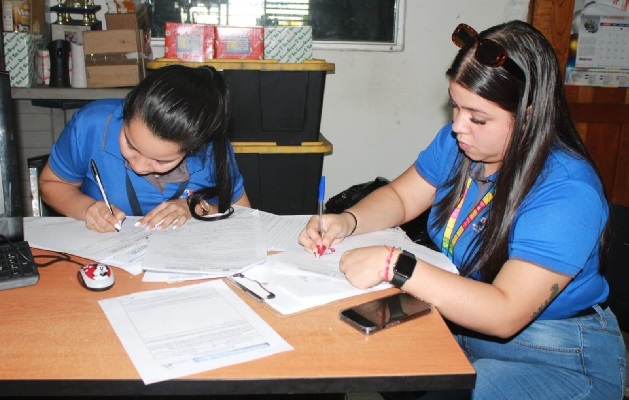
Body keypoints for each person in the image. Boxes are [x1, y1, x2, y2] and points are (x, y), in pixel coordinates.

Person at [299, 20, 626, 399]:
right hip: (464, 327)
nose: (457, 127)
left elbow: (505, 313)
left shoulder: (567, 190)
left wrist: (394, 264)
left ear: (530, 114)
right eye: (455, 107)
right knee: (344, 349)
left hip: (557, 354)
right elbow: (402, 198)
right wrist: (347, 220)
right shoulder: (462, 146)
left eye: (478, 117)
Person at [39, 64, 250, 232]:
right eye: (130, 144)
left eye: (161, 161)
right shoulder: (92, 125)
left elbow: (244, 217)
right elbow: (52, 184)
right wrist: (86, 209)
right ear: (126, 113)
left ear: (193, 149)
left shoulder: (212, 150)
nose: (139, 167)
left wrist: (197, 209)